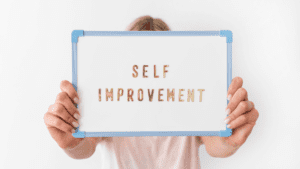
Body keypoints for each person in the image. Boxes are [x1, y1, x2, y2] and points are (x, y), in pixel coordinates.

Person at [43, 15, 259, 168]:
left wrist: (231, 141)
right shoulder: (109, 100)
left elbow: (215, 144)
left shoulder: (188, 98)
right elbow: (84, 148)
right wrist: (70, 143)